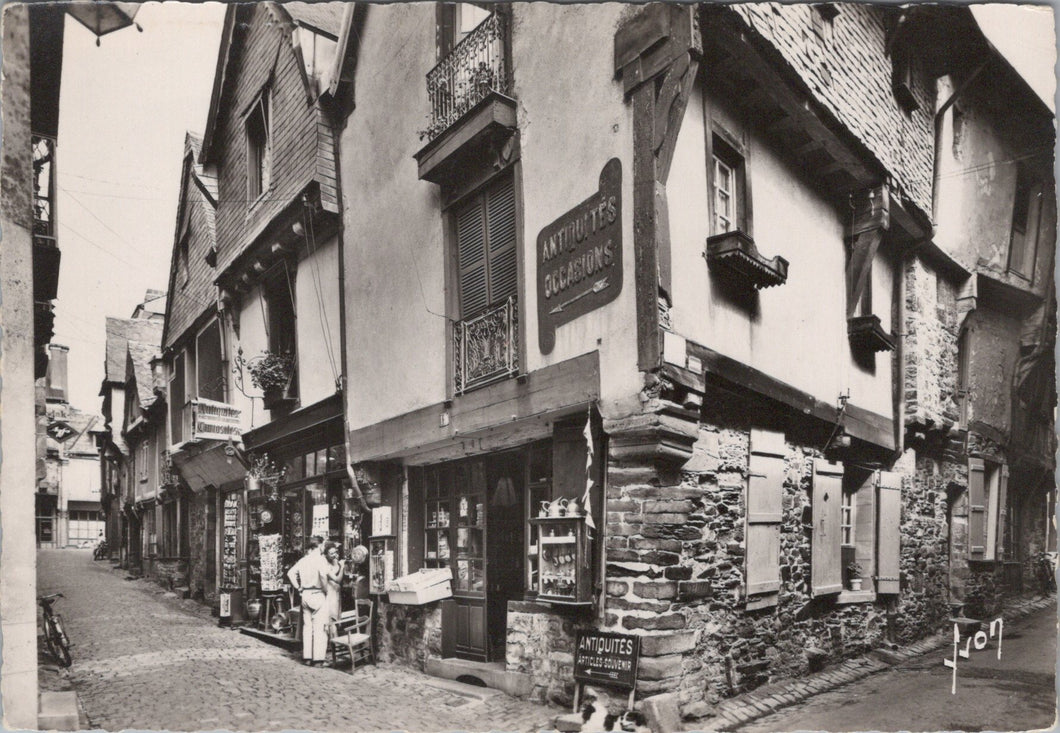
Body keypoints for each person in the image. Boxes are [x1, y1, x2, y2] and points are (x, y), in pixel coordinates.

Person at [287, 536, 330, 666]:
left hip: (305, 594)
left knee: (307, 627)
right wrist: (326, 589)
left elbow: (290, 573)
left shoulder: (303, 560)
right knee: (320, 627)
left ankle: (307, 657)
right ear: (319, 546)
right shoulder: (321, 560)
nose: (323, 548)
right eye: (323, 545)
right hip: (317, 593)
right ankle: (318, 659)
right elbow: (323, 576)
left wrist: (298, 587)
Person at [323, 541, 345, 623]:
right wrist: (342, 567)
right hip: (330, 593)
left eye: (335, 552)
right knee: (331, 617)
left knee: (336, 616)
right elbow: (338, 580)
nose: (334, 555)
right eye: (331, 554)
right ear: (326, 554)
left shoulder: (335, 560)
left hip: (336, 592)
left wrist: (338, 562)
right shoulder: (325, 565)